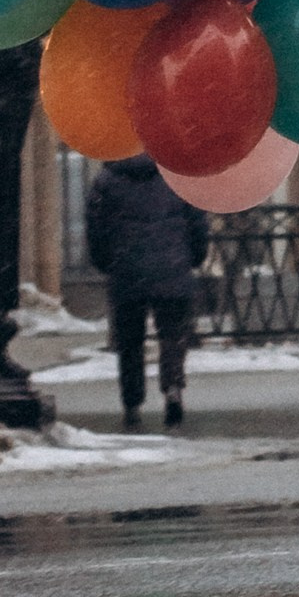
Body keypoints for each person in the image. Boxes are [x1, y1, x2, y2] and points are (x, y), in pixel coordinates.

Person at [86, 155, 210, 430]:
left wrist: (105, 261)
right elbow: (198, 223)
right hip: (172, 269)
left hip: (126, 270)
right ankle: (173, 388)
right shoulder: (179, 173)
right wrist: (194, 257)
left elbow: (96, 227)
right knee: (173, 336)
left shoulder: (107, 180)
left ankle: (131, 402)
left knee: (129, 341)